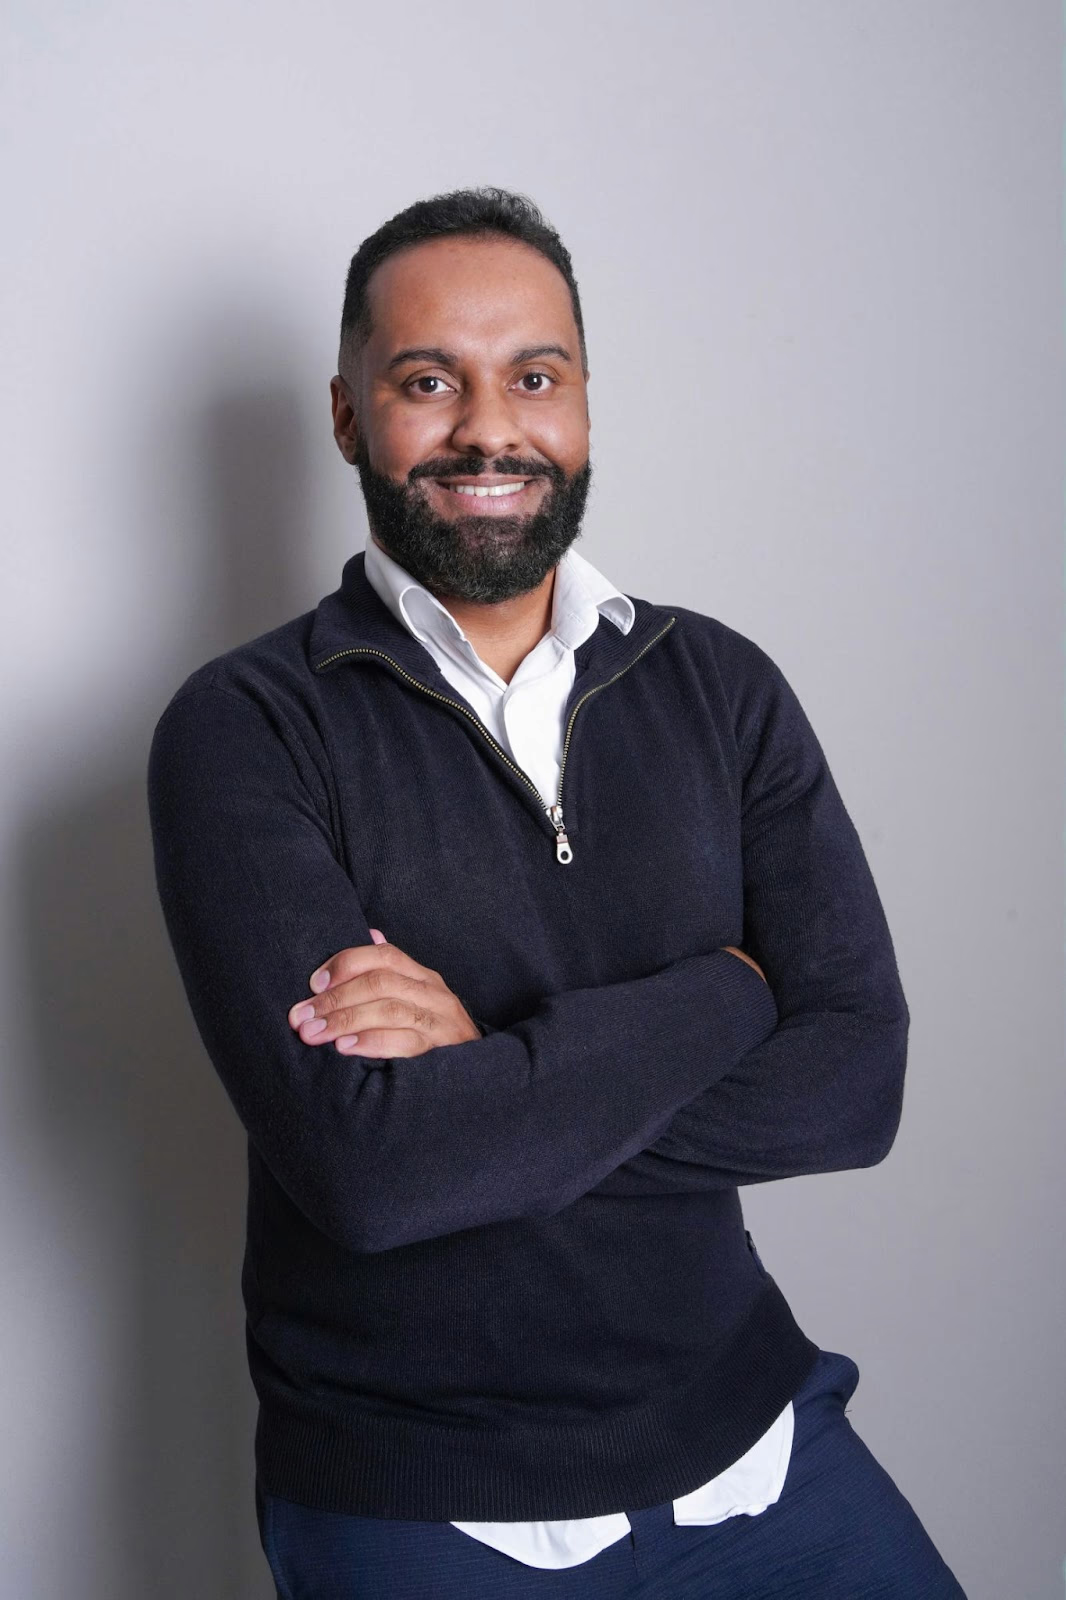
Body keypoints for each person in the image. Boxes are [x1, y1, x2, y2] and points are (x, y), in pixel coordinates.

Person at [147, 187, 967, 1598]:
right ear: (348, 418)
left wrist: (491, 1083)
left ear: (583, 404)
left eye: (533, 376)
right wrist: (726, 993)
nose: (488, 429)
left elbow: (854, 1087)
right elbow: (374, 1170)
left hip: (757, 1443)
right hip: (424, 1500)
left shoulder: (718, 687)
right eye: (425, 382)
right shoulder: (245, 725)